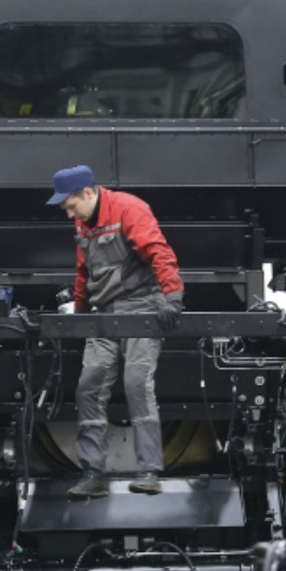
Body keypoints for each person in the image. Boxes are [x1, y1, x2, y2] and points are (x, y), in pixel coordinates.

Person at [46, 164, 184, 500]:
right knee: (88, 388)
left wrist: (173, 298)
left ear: (88, 193)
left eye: (70, 205)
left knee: (137, 383)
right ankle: (93, 473)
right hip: (104, 312)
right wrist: (79, 312)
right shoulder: (83, 221)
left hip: (142, 307)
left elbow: (159, 252)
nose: (68, 214)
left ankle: (149, 470)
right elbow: (84, 271)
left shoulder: (129, 209)